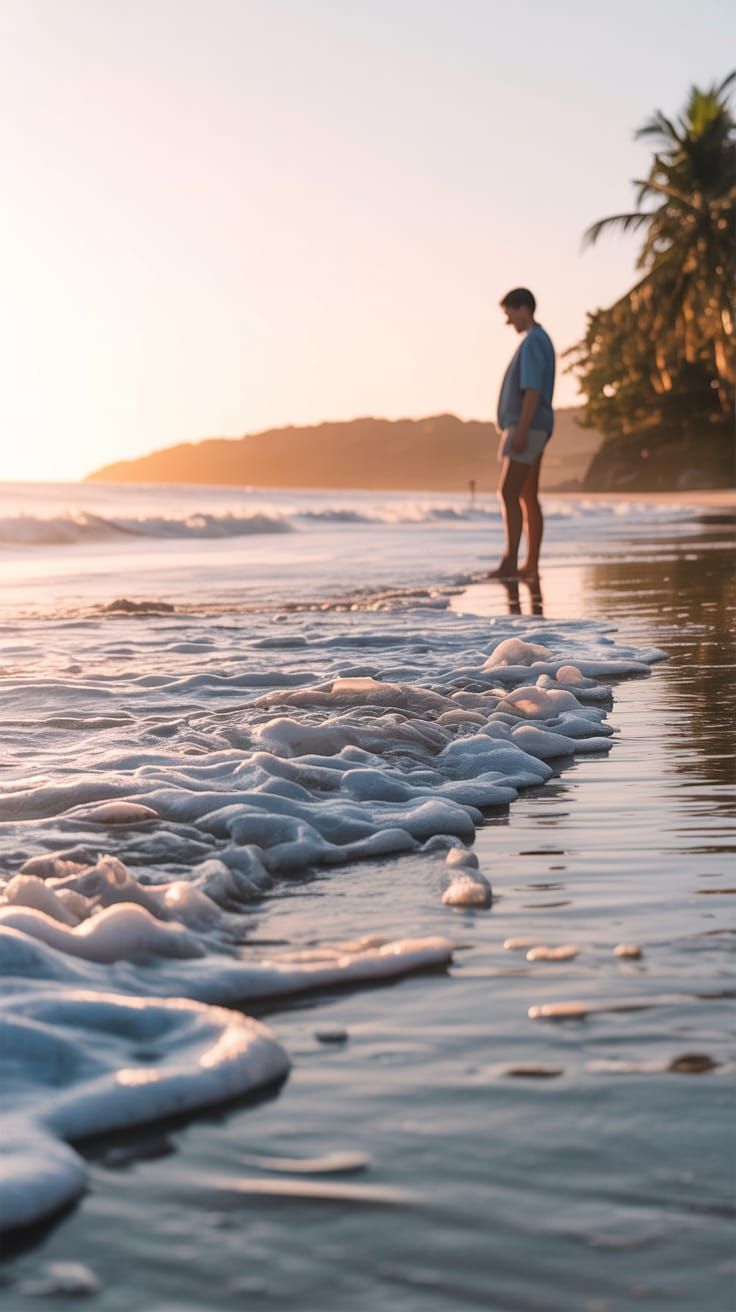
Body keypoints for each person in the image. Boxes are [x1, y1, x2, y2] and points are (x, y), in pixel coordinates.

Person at [488, 287, 555, 579]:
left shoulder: (533, 342)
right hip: (535, 425)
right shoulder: (540, 340)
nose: (508, 321)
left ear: (523, 308)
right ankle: (530, 565)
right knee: (527, 495)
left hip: (529, 426)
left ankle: (510, 563)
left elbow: (532, 390)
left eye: (509, 313)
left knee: (508, 492)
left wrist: (522, 430)